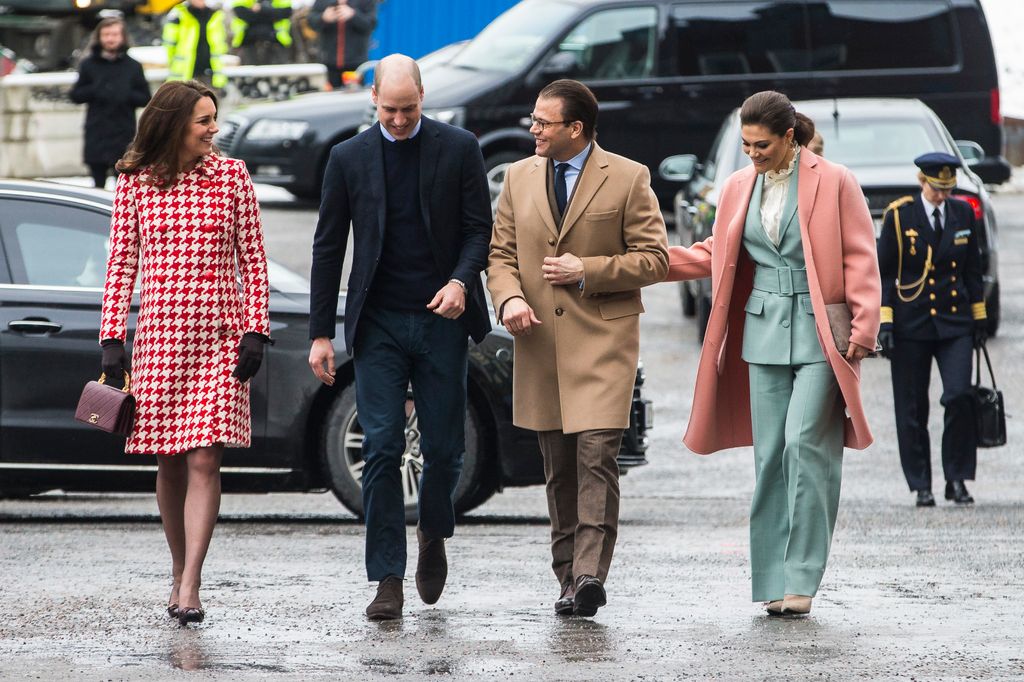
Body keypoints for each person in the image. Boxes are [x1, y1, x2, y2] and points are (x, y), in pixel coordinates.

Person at [665, 90, 880, 617]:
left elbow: (860, 254)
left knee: (805, 446)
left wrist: (865, 325)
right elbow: (717, 250)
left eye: (762, 145)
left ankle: (803, 577)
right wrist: (648, 263)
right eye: (745, 145)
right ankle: (772, 578)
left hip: (820, 332)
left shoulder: (836, 180)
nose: (752, 154)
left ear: (790, 137)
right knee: (769, 461)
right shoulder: (737, 185)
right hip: (761, 332)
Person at [307, 54, 491, 621]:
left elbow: (478, 228)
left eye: (409, 109)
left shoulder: (459, 148)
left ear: (422, 97)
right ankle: (386, 576)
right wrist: (320, 334)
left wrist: (463, 281)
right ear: (374, 102)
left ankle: (433, 532)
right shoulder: (348, 157)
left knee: (443, 449)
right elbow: (328, 246)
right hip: (379, 322)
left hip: (441, 317)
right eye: (389, 109)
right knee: (383, 447)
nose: (400, 119)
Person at [487, 79, 669, 618]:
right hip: (539, 340)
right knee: (558, 467)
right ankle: (567, 576)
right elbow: (500, 256)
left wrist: (585, 270)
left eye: (543, 122)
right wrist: (510, 299)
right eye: (533, 120)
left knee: (596, 457)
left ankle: (590, 574)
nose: (533, 129)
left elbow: (655, 259)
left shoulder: (630, 177)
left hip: (604, 342)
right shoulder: (517, 178)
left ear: (577, 129)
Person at [100, 80, 271, 626]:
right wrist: (111, 338)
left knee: (205, 457)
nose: (214, 129)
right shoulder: (134, 182)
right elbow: (120, 264)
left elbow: (256, 260)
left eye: (215, 118)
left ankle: (192, 581)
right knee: (170, 460)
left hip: (220, 339)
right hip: (159, 340)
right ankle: (177, 570)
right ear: (174, 123)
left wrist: (255, 331)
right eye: (203, 120)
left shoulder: (232, 176)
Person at [877, 153, 987, 507]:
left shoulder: (964, 214)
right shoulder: (899, 216)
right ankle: (921, 483)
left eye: (947, 189)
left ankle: (956, 478)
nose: (942, 196)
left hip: (955, 322)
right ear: (922, 181)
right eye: (936, 189)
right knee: (911, 408)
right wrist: (885, 320)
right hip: (912, 321)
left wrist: (980, 316)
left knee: (959, 397)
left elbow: (973, 269)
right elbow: (885, 273)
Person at [70, 17, 151, 189]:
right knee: (97, 185)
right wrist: (97, 90)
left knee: (124, 185)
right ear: (99, 37)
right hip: (97, 132)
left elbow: (145, 98)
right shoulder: (89, 64)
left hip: (123, 134)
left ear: (123, 37)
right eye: (106, 34)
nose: (110, 39)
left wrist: (124, 93)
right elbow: (76, 95)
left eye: (114, 34)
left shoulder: (133, 66)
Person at [309, 0, 377, 89]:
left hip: (355, 64)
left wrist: (354, 15)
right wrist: (323, 17)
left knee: (353, 97)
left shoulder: (365, 1)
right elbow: (311, 21)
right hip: (329, 63)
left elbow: (371, 24)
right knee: (329, 99)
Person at [163, 0, 229, 89]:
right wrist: (172, 61)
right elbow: (169, 42)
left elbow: (220, 42)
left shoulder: (215, 14)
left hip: (210, 70)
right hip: (186, 70)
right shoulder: (178, 13)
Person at [230, 0, 293, 66]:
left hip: (277, 44)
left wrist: (261, 9)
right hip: (248, 45)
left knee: (279, 72)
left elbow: (285, 12)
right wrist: (270, 14)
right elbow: (243, 13)